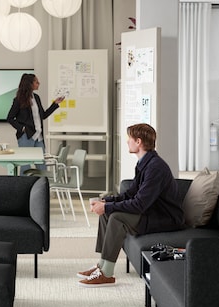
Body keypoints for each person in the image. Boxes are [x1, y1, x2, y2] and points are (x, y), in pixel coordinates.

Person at [77, 123, 184, 287]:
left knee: (117, 218)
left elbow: (139, 204)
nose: (127, 142)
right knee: (107, 214)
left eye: (130, 139)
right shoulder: (145, 163)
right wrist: (107, 202)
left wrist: (107, 207)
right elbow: (130, 194)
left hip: (165, 218)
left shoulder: (155, 167)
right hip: (151, 212)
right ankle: (102, 265)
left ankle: (107, 274)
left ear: (139, 142)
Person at [7, 73, 65, 175]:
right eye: (36, 82)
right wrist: (22, 129)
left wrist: (55, 104)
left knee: (41, 164)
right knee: (25, 165)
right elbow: (10, 118)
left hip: (39, 136)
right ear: (29, 84)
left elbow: (43, 115)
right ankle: (24, 189)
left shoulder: (36, 97)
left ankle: (42, 187)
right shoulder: (19, 100)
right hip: (26, 136)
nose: (39, 83)